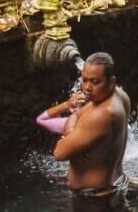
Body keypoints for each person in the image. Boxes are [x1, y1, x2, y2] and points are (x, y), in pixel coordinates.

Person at [53, 52, 131, 212]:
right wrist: (72, 133)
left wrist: (69, 136)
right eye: (84, 80)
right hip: (111, 187)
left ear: (112, 81)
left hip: (94, 200)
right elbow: (76, 114)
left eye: (95, 82)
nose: (87, 88)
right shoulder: (117, 96)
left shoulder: (102, 114)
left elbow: (59, 153)